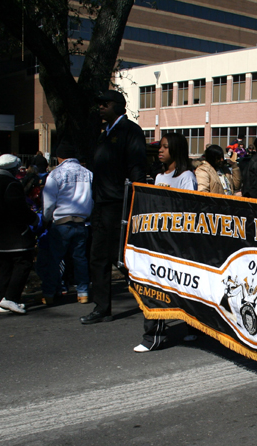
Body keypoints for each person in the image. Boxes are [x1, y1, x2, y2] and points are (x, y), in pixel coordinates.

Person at [81, 89, 147, 325]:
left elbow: (137, 169)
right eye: (99, 104)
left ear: (119, 106)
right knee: (97, 256)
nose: (101, 107)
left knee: (123, 258)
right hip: (100, 204)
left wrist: (132, 203)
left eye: (105, 104)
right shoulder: (104, 134)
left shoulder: (130, 131)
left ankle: (149, 297)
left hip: (119, 205)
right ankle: (102, 308)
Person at [134, 132, 197, 353]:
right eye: (160, 147)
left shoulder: (187, 176)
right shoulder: (160, 177)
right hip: (158, 241)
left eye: (165, 147)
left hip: (178, 244)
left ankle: (192, 328)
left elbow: (190, 212)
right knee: (156, 288)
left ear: (176, 150)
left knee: (181, 288)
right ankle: (153, 336)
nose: (160, 150)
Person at [0, 154, 38, 314]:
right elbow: (19, 209)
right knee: (23, 263)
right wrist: (33, 219)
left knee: (5, 265)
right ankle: (11, 298)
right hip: (15, 234)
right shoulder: (11, 184)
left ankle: (4, 298)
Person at [41, 140, 93, 306]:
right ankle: (83, 292)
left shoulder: (56, 174)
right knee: (80, 259)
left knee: (54, 259)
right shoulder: (88, 174)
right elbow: (92, 199)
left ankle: (49, 292)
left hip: (62, 222)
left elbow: (49, 201)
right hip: (82, 221)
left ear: (59, 157)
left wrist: (46, 218)